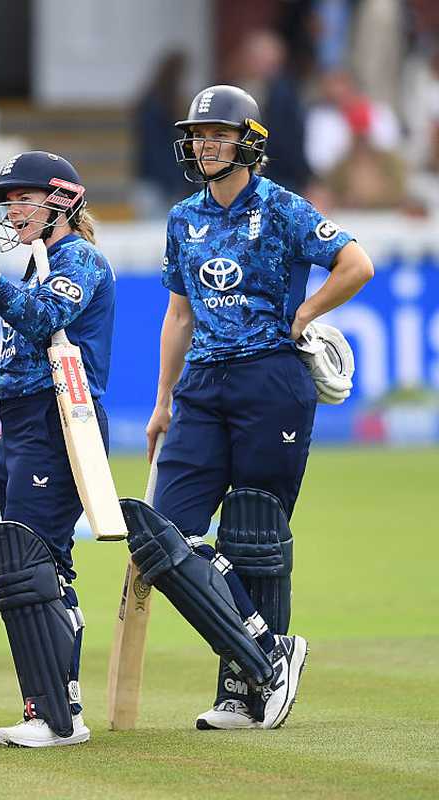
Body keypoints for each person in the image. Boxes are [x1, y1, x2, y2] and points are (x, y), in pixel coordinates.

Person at [141, 84, 373, 731]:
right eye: (198, 136)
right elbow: (179, 316)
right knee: (165, 533)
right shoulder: (182, 218)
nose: (205, 145)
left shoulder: (281, 207)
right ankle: (271, 652)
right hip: (201, 386)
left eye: (218, 134)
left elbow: (356, 264)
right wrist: (162, 402)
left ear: (248, 142)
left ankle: (241, 692)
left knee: (254, 535)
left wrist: (306, 313)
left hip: (271, 379)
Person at [0, 151, 115, 747]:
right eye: (7, 201)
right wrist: (4, 445)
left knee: (37, 563)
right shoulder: (40, 264)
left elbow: (44, 319)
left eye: (23, 198)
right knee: (30, 565)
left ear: (61, 200)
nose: (12, 211)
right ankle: (51, 703)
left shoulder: (78, 258)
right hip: (25, 424)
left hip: (59, 419)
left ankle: (58, 714)